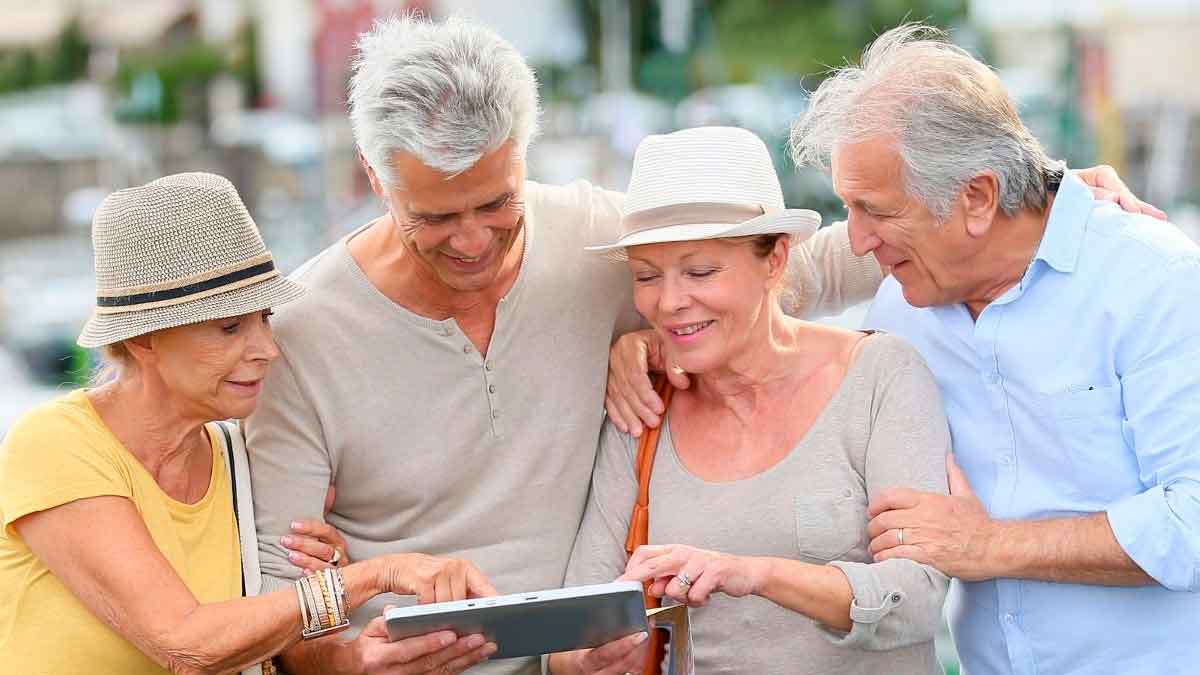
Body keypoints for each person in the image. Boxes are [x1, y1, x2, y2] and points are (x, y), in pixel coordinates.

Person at [249, 14, 1153, 675]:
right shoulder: (303, 331)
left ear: (524, 158)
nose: (474, 240)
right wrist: (349, 661)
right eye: (435, 217)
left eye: (497, 204)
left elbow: (795, 264)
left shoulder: (594, 241)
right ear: (375, 181)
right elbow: (277, 597)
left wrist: (1038, 198)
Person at [784, 24, 1200, 674]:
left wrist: (987, 545)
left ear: (978, 197)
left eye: (876, 211)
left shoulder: (1155, 280)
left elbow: (1193, 519)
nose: (857, 241)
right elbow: (755, 299)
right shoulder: (900, 302)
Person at [0, 173, 495, 675]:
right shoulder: (54, 445)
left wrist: (350, 649)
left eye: (264, 318)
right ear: (143, 340)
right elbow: (186, 645)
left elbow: (279, 648)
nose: (268, 349)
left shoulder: (240, 455)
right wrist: (371, 577)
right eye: (230, 327)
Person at [547, 126, 951, 675]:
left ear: (776, 260)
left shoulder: (881, 374)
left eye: (700, 271)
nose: (668, 302)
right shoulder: (642, 406)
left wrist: (755, 575)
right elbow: (572, 634)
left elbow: (918, 600)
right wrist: (587, 657)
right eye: (646, 276)